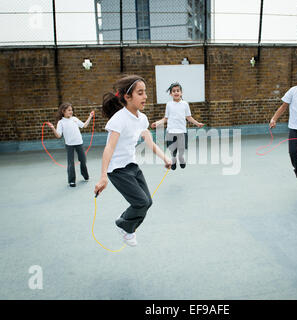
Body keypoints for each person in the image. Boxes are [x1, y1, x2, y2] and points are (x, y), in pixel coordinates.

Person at [94, 75, 172, 247]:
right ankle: (124, 225)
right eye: (140, 93)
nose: (145, 96)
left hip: (132, 166)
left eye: (145, 92)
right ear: (127, 97)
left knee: (148, 202)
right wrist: (103, 176)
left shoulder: (142, 119)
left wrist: (165, 158)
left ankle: (125, 224)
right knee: (141, 202)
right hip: (117, 170)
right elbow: (109, 148)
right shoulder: (118, 120)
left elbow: (149, 142)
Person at [151, 82, 204, 170]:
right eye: (174, 91)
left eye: (178, 91)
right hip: (171, 131)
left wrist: (197, 123)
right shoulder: (169, 104)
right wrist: (157, 123)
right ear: (171, 94)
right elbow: (166, 118)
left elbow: (189, 117)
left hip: (182, 132)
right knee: (172, 150)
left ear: (181, 93)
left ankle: (181, 158)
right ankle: (174, 159)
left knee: (181, 149)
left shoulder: (185, 104)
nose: (176, 92)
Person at [48, 103, 94, 187]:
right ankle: (72, 181)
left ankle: (85, 175)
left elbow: (84, 125)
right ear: (63, 111)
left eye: (71, 110)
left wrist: (90, 116)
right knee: (70, 163)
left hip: (79, 143)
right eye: (69, 110)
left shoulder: (75, 119)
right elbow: (58, 135)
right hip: (69, 145)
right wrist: (53, 128)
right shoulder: (61, 122)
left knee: (83, 160)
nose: (71, 111)